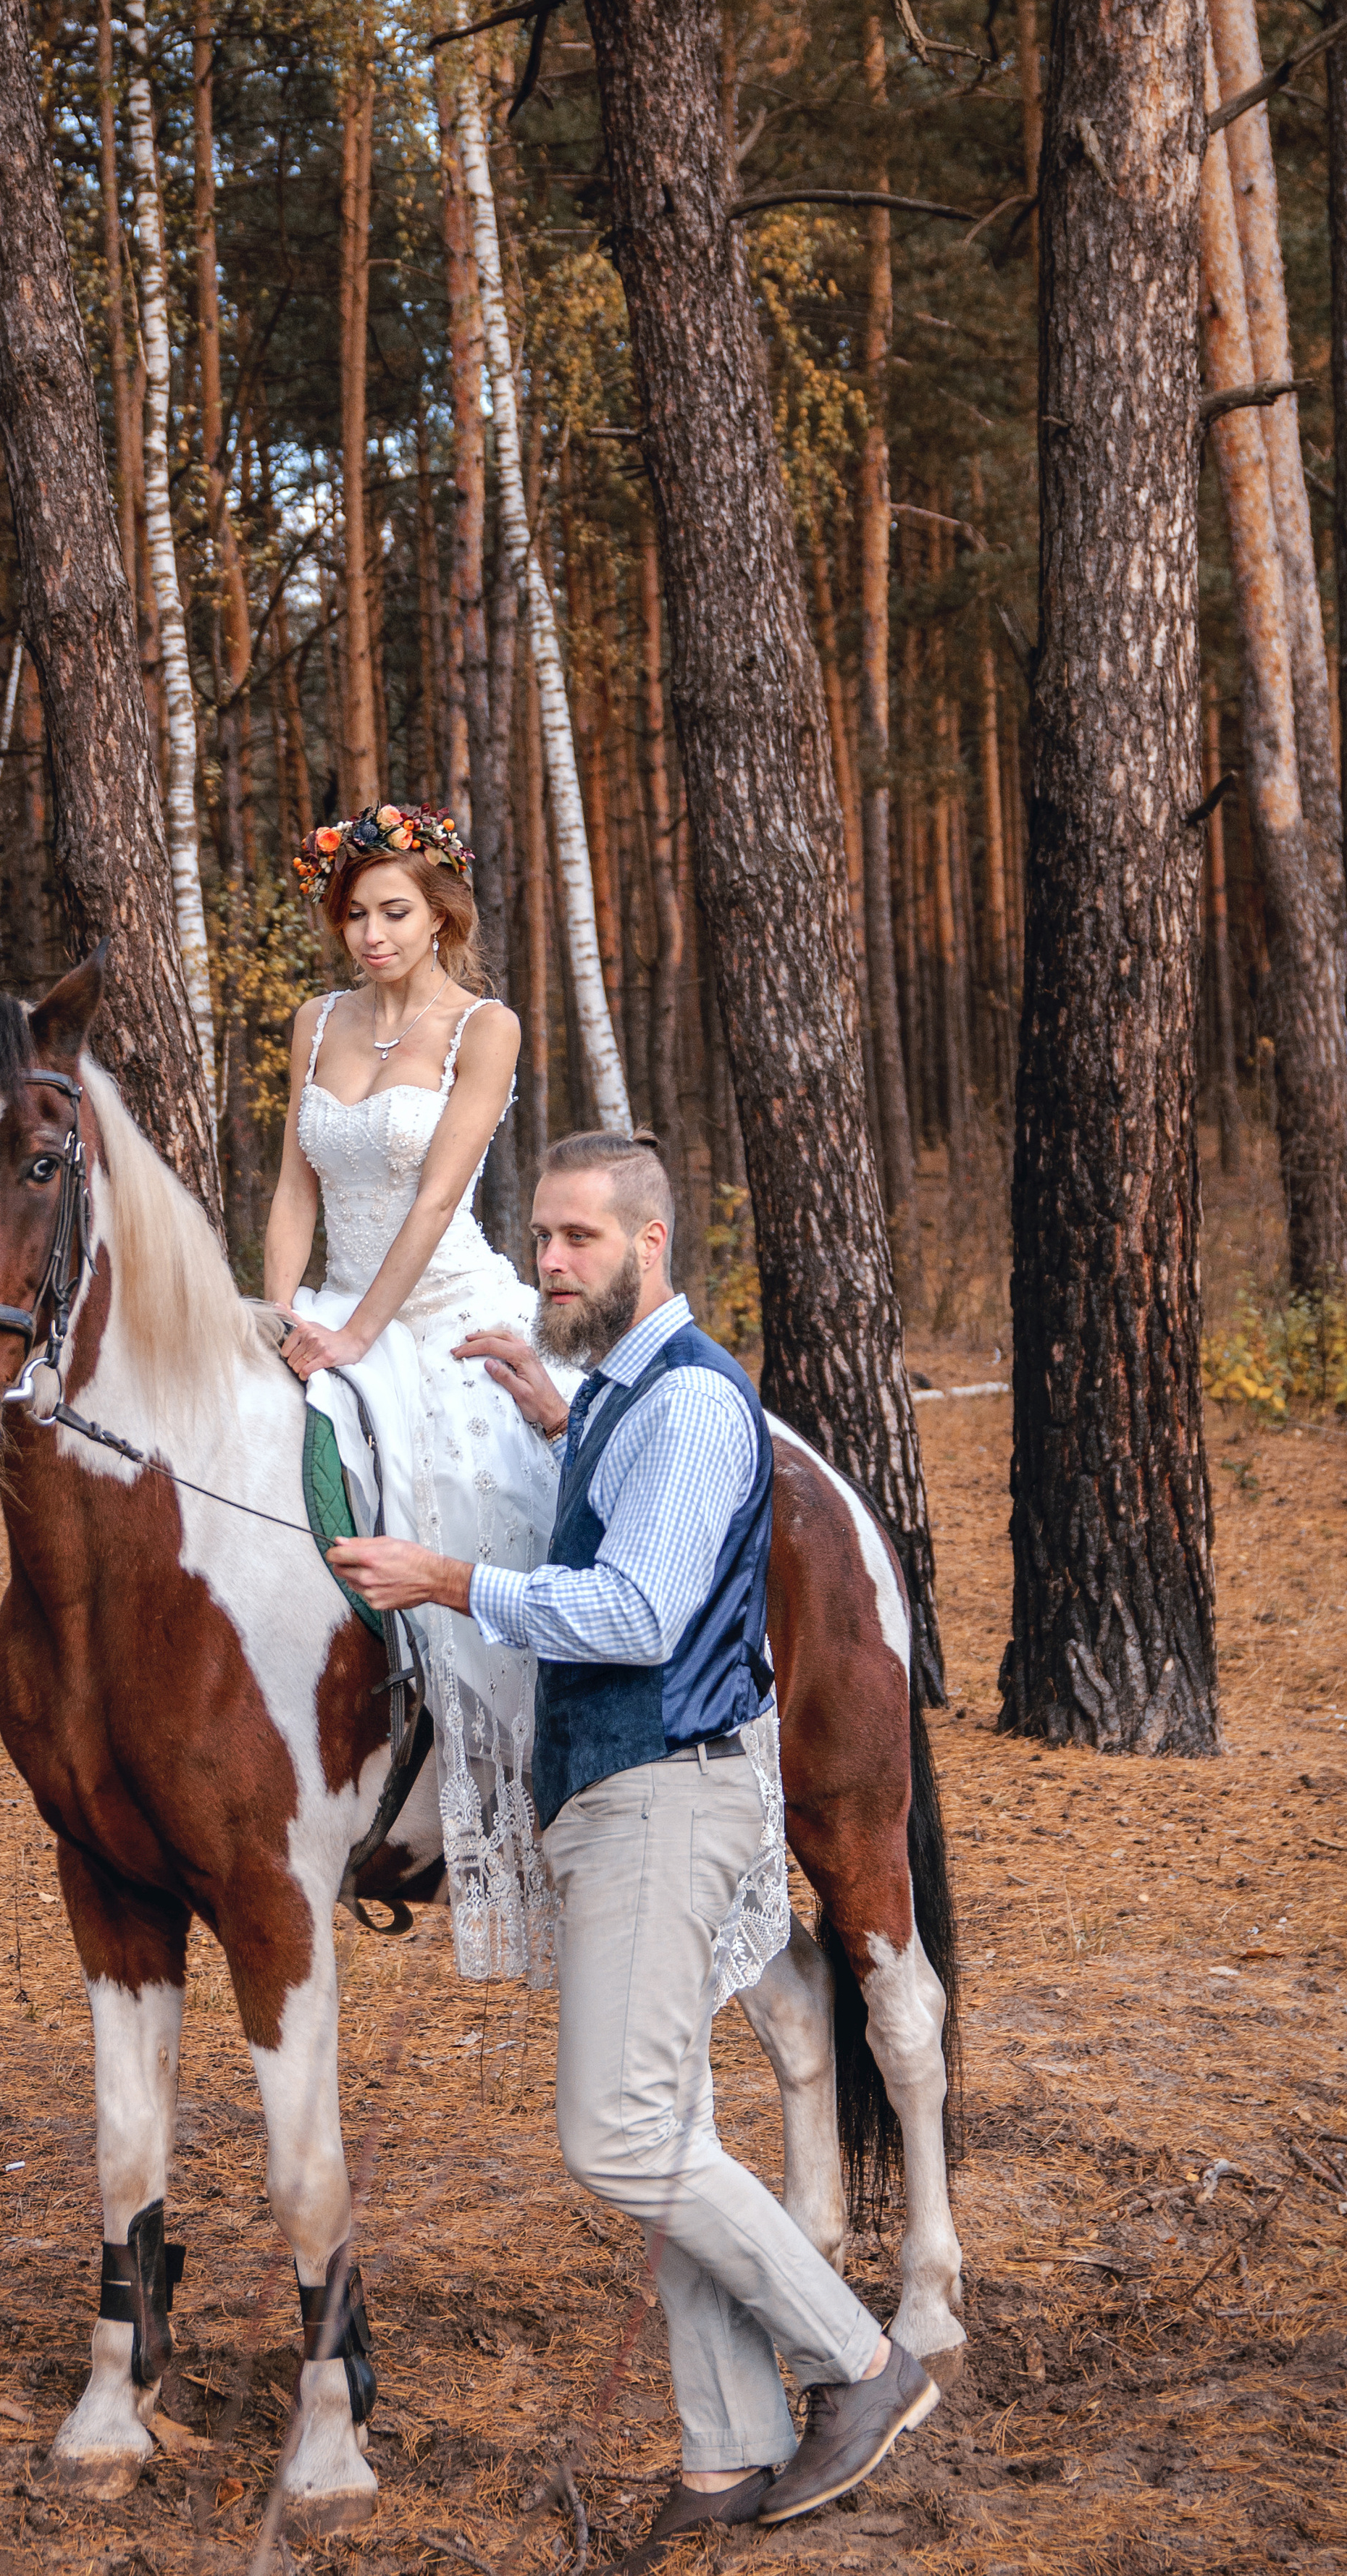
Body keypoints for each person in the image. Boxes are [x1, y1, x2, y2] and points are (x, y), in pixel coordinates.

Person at [327, 1130, 940, 2536]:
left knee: (614, 2133)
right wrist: (557, 1420)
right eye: (539, 1236)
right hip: (623, 1793)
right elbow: (629, 1505)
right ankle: (726, 2451)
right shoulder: (622, 1396)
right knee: (664, 2122)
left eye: (578, 1240)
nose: (548, 1261)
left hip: (666, 1788)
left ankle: (860, 2357)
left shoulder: (686, 1406)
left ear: (647, 1244)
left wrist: (445, 1579)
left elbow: (635, 1614)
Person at [265, 800, 563, 1980]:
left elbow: (438, 1198)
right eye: (353, 915)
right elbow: (294, 1180)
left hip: (443, 1316)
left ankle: (536, 1780)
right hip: (332, 1303)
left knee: (505, 1520)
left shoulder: (484, 1026)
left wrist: (360, 1335)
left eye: (393, 911)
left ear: (442, 910)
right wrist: (282, 1309)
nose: (370, 935)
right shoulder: (316, 1020)